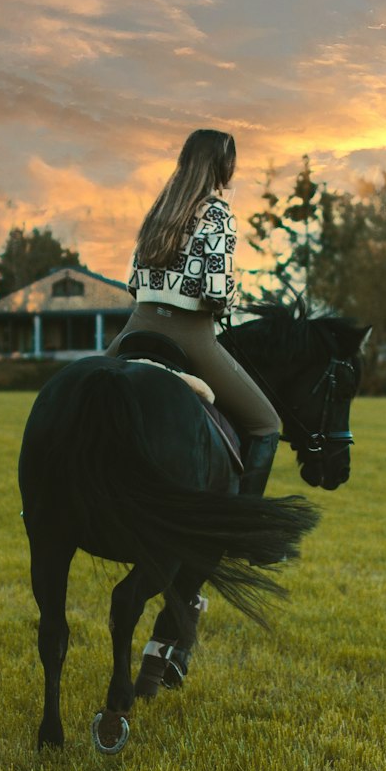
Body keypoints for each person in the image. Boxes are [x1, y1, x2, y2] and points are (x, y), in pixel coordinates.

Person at [106, 128, 282, 496]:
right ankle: (241, 528)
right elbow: (215, 293)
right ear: (222, 165)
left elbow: (135, 284)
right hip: (191, 334)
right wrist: (232, 295)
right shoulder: (218, 213)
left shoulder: (160, 208)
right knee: (266, 424)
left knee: (83, 389)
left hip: (138, 323)